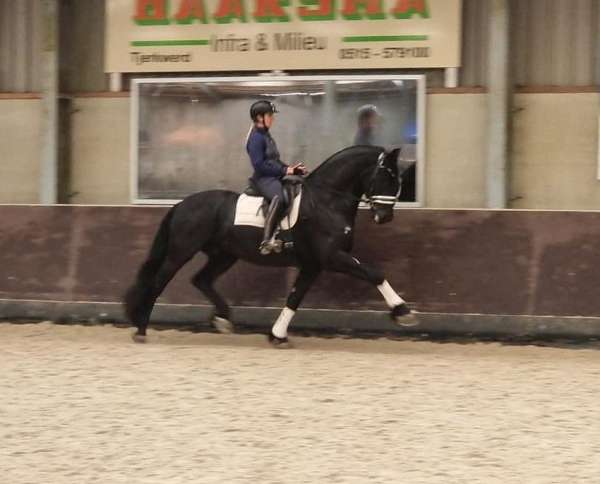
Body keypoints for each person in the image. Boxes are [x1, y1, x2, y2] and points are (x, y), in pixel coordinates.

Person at [246, 100, 307, 255]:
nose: (273, 118)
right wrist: (285, 170)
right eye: (270, 115)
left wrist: (292, 169)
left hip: (273, 175)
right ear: (260, 117)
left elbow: (274, 160)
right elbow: (259, 165)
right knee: (278, 197)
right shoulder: (256, 138)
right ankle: (267, 240)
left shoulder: (266, 135)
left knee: (299, 184)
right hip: (263, 178)